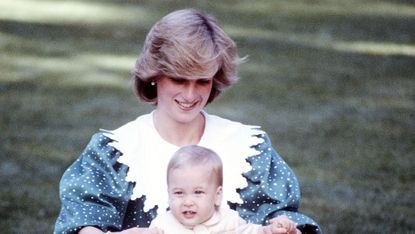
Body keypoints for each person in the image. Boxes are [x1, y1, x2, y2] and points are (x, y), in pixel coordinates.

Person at [54, 8, 321, 234]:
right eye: (179, 79)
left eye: (202, 81)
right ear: (155, 75)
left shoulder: (248, 148)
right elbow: (83, 219)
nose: (191, 95)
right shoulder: (115, 151)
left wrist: (284, 228)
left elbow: (282, 214)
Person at [150, 145, 300, 234]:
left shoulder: (229, 220)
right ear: (168, 193)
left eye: (198, 192)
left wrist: (271, 230)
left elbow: (254, 231)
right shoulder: (162, 225)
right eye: (178, 193)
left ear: (217, 196)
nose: (188, 202)